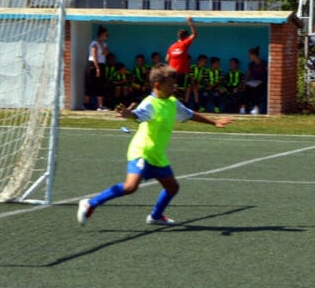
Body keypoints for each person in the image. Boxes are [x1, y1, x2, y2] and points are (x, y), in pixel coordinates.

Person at [78, 63, 232, 227]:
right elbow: (138, 114)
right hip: (142, 151)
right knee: (130, 187)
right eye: (170, 85)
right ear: (157, 85)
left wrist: (214, 122)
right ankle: (90, 203)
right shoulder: (150, 103)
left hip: (157, 155)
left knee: (172, 188)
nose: (174, 87)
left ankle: (156, 216)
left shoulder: (173, 102)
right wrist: (128, 114)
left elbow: (190, 114)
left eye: (174, 84)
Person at [166, 17, 198, 93]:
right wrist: (190, 22)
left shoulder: (172, 46)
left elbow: (167, 59)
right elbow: (195, 34)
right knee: (181, 92)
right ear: (186, 37)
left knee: (173, 92)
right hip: (181, 73)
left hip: (172, 73)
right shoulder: (184, 44)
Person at [83, 26, 109, 110]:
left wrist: (101, 44)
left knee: (100, 85)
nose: (107, 36)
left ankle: (100, 106)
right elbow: (94, 56)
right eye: (105, 35)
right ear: (101, 35)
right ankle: (85, 104)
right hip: (93, 65)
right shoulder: (94, 43)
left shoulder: (104, 44)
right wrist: (97, 68)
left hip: (101, 64)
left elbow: (105, 53)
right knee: (90, 84)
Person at [242, 46, 268, 114]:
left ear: (254, 55)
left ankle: (256, 108)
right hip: (254, 82)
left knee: (255, 90)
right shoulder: (251, 64)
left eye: (249, 55)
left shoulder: (264, 63)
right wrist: (244, 84)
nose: (249, 56)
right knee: (247, 89)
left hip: (263, 83)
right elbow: (248, 75)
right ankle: (243, 107)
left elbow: (269, 74)